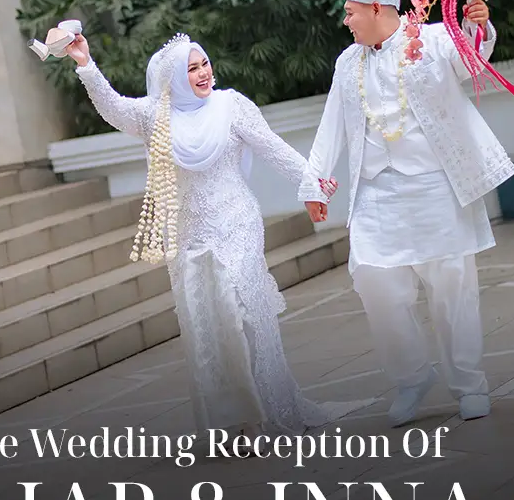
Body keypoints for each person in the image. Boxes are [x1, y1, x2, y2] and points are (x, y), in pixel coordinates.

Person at [53, 25, 366, 445]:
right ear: (173, 79)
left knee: (242, 313)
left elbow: (271, 147)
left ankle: (274, 409)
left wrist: (313, 184)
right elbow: (113, 107)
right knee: (210, 327)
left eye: (205, 64)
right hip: (189, 235)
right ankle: (241, 422)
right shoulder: (155, 117)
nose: (203, 73)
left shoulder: (231, 106)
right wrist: (86, 64)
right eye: (192, 69)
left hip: (237, 223)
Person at [298, 0, 514, 427]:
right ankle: (412, 377)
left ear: (377, 8)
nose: (346, 21)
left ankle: (469, 385)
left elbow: (472, 61)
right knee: (372, 280)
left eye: (351, 12)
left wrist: (477, 22)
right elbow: (332, 125)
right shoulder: (347, 63)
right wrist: (315, 181)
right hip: (376, 191)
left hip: (435, 185)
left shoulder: (433, 39)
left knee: (452, 285)